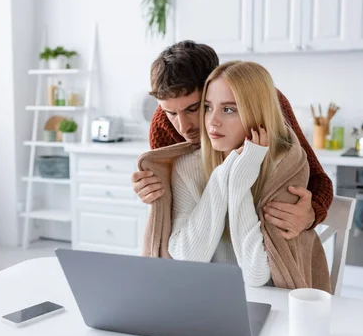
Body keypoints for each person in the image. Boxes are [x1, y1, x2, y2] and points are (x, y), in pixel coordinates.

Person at [140, 61, 331, 291]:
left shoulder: (283, 162)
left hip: (264, 297)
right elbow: (186, 259)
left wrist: (240, 182)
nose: (211, 121)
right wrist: (226, 174)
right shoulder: (183, 161)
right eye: (208, 108)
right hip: (202, 291)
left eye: (228, 109)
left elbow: (256, 275)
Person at [132, 41, 333, 238]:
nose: (183, 127)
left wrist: (311, 214)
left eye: (193, 109)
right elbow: (176, 207)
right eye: (170, 112)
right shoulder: (162, 126)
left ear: (213, 87)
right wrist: (154, 193)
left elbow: (318, 178)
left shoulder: (263, 102)